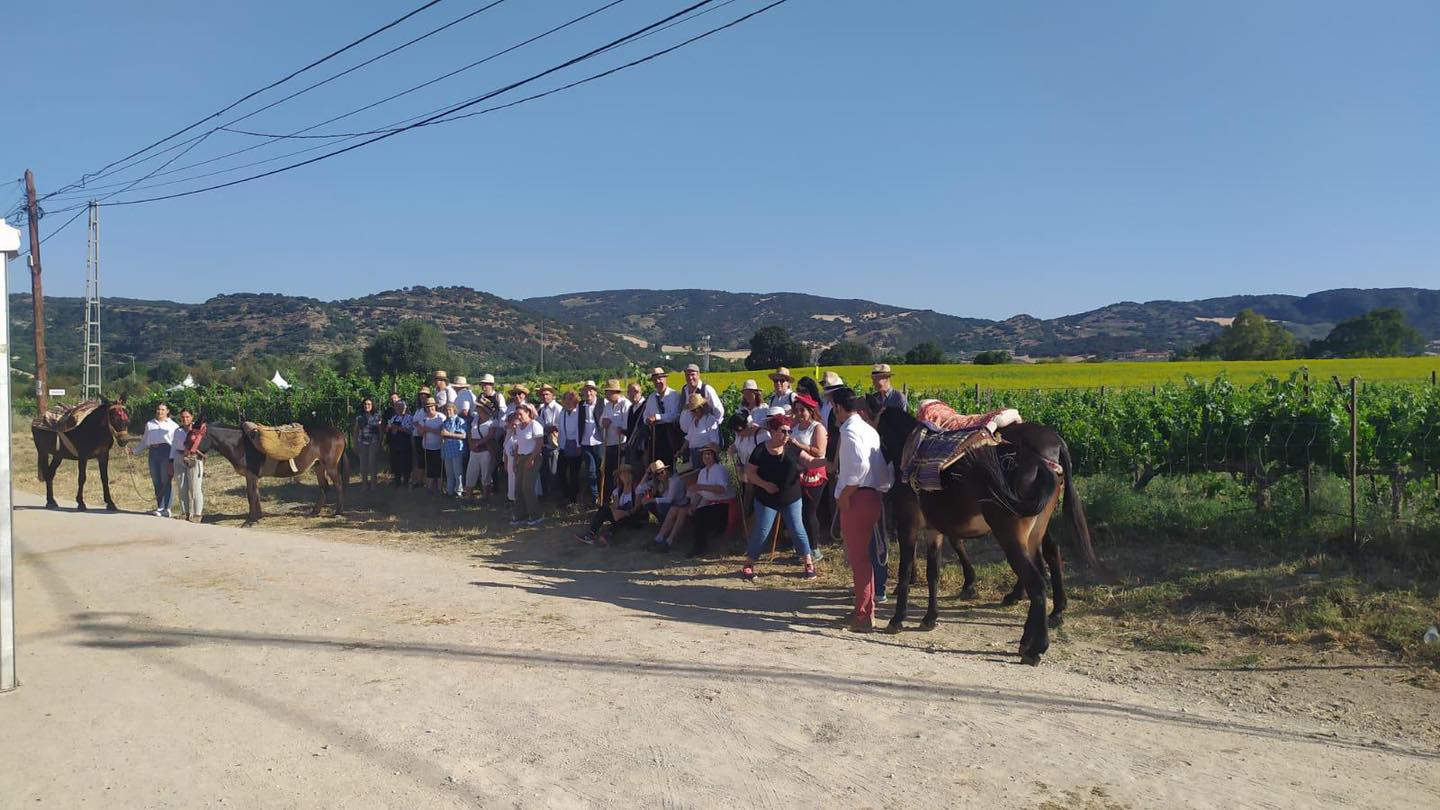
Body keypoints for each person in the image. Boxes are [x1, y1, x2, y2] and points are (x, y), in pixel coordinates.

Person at [830, 386, 893, 633]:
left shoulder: (849, 431)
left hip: (857, 497)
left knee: (859, 561)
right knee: (865, 559)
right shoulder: (868, 428)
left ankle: (863, 616)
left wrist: (845, 495)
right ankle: (866, 610)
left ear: (837, 407)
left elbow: (857, 469)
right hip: (874, 496)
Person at [742, 410, 817, 581]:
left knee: (797, 529)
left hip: (791, 498)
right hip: (766, 499)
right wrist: (765, 485)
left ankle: (808, 562)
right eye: (783, 431)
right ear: (773, 431)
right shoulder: (760, 450)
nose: (787, 434)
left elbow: (810, 461)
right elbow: (750, 473)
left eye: (789, 431)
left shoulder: (792, 448)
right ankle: (749, 563)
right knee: (762, 531)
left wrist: (827, 463)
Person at [789, 394, 830, 556]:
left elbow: (820, 451)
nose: (799, 413)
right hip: (797, 472)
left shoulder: (818, 427)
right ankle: (802, 545)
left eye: (802, 410)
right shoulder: (795, 425)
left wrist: (798, 445)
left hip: (814, 473)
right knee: (798, 511)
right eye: (797, 410)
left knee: (809, 511)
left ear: (810, 411)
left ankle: (814, 548)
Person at [575, 466, 643, 547]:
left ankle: (608, 536)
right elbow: (615, 506)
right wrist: (615, 512)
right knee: (604, 508)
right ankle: (590, 534)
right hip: (619, 513)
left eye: (628, 473)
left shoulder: (637, 489)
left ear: (632, 475)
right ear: (620, 477)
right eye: (623, 474)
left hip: (631, 516)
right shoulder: (617, 491)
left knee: (621, 518)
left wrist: (626, 513)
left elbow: (637, 507)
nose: (626, 476)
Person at [132, 402, 178, 517]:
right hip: (153, 452)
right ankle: (160, 506)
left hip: (166, 451)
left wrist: (173, 458)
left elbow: (175, 443)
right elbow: (144, 441)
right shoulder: (150, 424)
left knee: (165, 480)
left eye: (163, 410)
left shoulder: (173, 425)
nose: (160, 412)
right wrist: (134, 451)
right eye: (158, 409)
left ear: (167, 411)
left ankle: (167, 508)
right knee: (156, 480)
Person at [686, 445, 732, 558]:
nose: (706, 457)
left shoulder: (720, 469)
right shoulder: (702, 472)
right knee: (694, 513)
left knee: (700, 515)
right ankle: (702, 545)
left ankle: (700, 548)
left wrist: (702, 486)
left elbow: (721, 489)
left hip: (724, 505)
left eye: (709, 454)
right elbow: (699, 492)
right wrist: (693, 506)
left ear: (714, 456)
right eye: (704, 454)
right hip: (710, 503)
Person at [640, 459, 688, 552]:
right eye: (657, 474)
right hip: (675, 505)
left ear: (666, 470)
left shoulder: (674, 481)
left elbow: (669, 499)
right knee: (672, 509)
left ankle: (666, 539)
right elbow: (640, 488)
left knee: (674, 509)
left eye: (661, 472)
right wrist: (647, 473)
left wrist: (652, 499)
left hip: (679, 504)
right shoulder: (659, 483)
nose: (660, 475)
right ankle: (661, 538)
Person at [511, 403, 545, 525]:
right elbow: (518, 445)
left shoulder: (535, 425)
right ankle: (521, 515)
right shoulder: (518, 427)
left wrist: (531, 459)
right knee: (518, 488)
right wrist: (515, 460)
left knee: (528, 487)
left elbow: (539, 444)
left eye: (521, 414)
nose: (519, 417)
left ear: (528, 413)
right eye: (517, 414)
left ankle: (536, 515)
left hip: (533, 457)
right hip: (521, 457)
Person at [641, 368, 682, 467]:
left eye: (660, 378)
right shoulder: (651, 397)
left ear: (665, 379)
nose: (658, 382)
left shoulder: (674, 395)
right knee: (655, 463)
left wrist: (657, 417)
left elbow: (675, 415)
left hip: (670, 434)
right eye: (655, 380)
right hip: (655, 434)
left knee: (669, 463)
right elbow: (645, 416)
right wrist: (647, 420)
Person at [599, 380, 630, 504]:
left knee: (620, 473)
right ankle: (606, 501)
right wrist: (604, 422)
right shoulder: (607, 405)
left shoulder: (625, 404)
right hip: (609, 443)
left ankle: (620, 499)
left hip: (620, 444)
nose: (606, 395)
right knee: (608, 472)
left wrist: (616, 426)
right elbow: (602, 420)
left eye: (608, 392)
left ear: (615, 392)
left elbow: (627, 423)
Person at [170, 408, 204, 523]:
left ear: (192, 417)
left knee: (195, 487)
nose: (185, 419)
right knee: (182, 487)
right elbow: (173, 446)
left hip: (193, 458)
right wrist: (171, 461)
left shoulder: (198, 430)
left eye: (187, 417)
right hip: (179, 458)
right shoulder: (177, 431)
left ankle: (197, 514)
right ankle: (185, 512)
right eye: (183, 417)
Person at [464, 403, 500, 498]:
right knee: (470, 472)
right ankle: (468, 495)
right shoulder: (475, 420)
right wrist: (471, 444)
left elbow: (490, 436)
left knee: (486, 474)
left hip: (486, 450)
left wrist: (477, 443)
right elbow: (470, 433)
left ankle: (485, 496)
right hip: (474, 450)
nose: (477, 409)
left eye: (480, 408)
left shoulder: (493, 422)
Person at [535, 384, 563, 500]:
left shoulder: (557, 408)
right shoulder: (541, 408)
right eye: (543, 394)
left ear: (552, 395)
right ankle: (546, 494)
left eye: (547, 394)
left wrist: (545, 428)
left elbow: (559, 426)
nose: (545, 396)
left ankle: (553, 495)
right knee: (544, 470)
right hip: (544, 443)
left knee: (553, 471)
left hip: (553, 444)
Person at [556, 390, 584, 506]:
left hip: (575, 445)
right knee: (560, 472)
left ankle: (573, 499)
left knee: (574, 474)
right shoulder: (562, 412)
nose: (568, 401)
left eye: (570, 399)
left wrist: (579, 445)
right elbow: (560, 429)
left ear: (575, 400)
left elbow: (580, 429)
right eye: (566, 399)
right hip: (563, 445)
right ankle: (566, 495)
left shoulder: (578, 413)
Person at [578, 381, 604, 504]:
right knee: (590, 470)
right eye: (586, 391)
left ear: (595, 392)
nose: (588, 393)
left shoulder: (602, 403)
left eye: (591, 390)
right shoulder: (581, 405)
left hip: (599, 441)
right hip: (585, 442)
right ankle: (595, 496)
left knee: (600, 469)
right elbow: (578, 424)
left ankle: (603, 493)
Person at [679, 393, 721, 467]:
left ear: (702, 407)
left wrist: (707, 454)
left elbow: (714, 441)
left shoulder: (710, 419)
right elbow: (689, 437)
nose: (694, 412)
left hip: (705, 454)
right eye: (692, 410)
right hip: (693, 454)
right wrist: (681, 450)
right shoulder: (693, 421)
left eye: (695, 410)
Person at [353, 396, 383, 490]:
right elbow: (356, 431)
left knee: (372, 463)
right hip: (362, 442)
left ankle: (374, 484)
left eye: (369, 404)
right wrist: (355, 444)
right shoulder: (359, 417)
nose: (367, 406)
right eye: (365, 404)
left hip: (373, 442)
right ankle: (364, 484)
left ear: (372, 405)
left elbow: (380, 430)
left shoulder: (377, 416)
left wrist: (380, 442)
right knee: (363, 464)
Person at [417, 397, 446, 493]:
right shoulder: (424, 419)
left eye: (432, 406)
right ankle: (429, 488)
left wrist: (429, 429)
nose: (430, 408)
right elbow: (420, 433)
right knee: (429, 468)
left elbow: (442, 432)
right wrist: (423, 430)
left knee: (439, 467)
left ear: (435, 406)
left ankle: (439, 488)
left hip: (439, 446)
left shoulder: (441, 417)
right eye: (428, 407)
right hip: (427, 446)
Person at [439, 402, 467, 497]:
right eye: (446, 410)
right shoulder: (445, 422)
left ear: (454, 410)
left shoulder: (459, 420)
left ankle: (459, 491)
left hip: (456, 449)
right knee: (449, 473)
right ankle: (449, 490)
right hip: (447, 450)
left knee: (457, 472)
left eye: (450, 409)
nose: (448, 412)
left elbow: (463, 435)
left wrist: (448, 434)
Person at [386, 399, 413, 487]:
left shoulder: (409, 417)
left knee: (405, 462)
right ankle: (397, 480)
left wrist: (397, 427)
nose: (398, 409)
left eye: (400, 407)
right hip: (394, 442)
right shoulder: (394, 417)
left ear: (404, 408)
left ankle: (406, 480)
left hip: (405, 442)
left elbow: (409, 431)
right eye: (397, 407)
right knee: (395, 462)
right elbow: (388, 427)